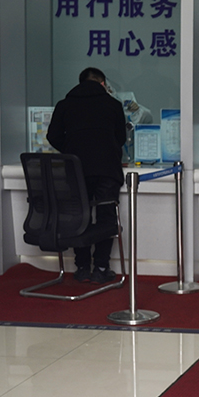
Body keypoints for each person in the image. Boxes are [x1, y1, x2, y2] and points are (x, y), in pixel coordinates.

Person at [46, 67, 127, 283]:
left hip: (75, 169)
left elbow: (52, 136)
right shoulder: (113, 104)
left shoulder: (64, 105)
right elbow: (120, 137)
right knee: (106, 216)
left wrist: (71, 151)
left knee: (79, 216)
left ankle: (82, 267)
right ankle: (101, 267)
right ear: (102, 84)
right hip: (107, 169)